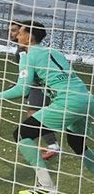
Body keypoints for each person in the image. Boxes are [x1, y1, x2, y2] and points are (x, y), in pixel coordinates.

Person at [0, 21, 94, 194]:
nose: (17, 36)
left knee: (22, 134)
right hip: (86, 99)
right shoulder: (54, 51)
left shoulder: (28, 55)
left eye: (20, 33)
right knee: (76, 143)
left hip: (67, 102)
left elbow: (22, 89)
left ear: (30, 36)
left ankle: (46, 184)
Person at [7, 21, 60, 159]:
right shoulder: (22, 50)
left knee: (35, 114)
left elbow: (31, 73)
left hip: (40, 86)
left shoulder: (25, 52)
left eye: (15, 31)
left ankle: (53, 145)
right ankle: (52, 144)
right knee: (33, 113)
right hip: (36, 85)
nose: (13, 34)